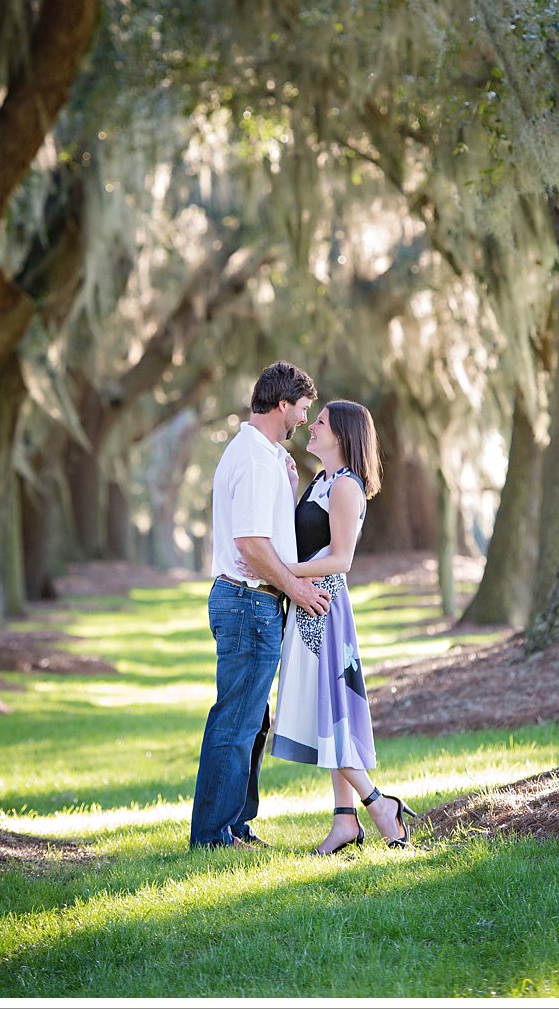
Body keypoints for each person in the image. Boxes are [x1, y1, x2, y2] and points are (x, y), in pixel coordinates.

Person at [190, 362, 333, 850]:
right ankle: (212, 837)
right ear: (282, 404)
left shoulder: (267, 455)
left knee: (252, 720)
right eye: (303, 409)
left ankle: (233, 826)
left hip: (255, 604)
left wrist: (289, 491)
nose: (304, 420)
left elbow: (269, 532)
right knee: (236, 719)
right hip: (248, 602)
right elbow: (250, 545)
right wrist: (297, 589)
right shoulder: (252, 457)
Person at [269, 399, 413, 853]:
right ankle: (344, 822)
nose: (311, 426)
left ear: (343, 435)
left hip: (323, 606)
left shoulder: (347, 486)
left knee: (328, 714)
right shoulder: (321, 482)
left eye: (321, 422)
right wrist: (293, 488)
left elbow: (341, 559)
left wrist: (281, 572)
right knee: (326, 714)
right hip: (308, 602)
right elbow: (308, 538)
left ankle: (379, 805)